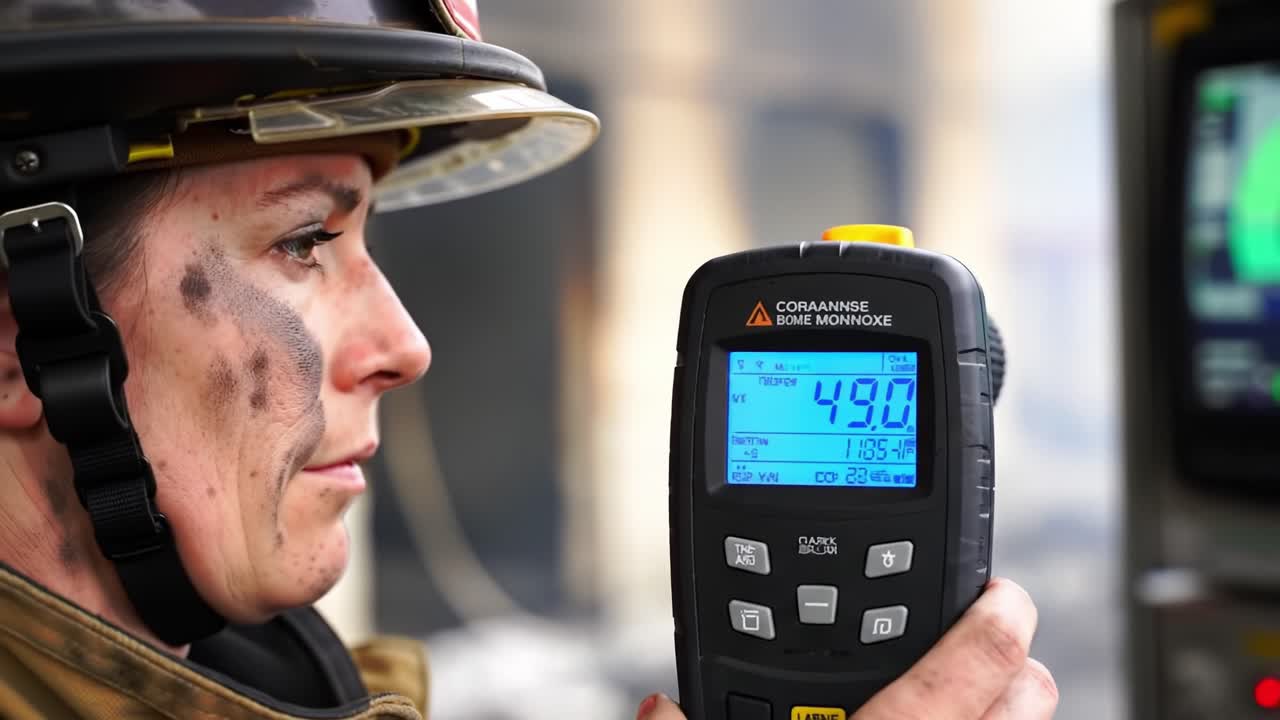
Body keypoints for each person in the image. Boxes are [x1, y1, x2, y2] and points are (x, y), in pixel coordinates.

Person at [0, 3, 1058, 719]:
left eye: (372, 241)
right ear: (17, 338)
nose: (404, 348)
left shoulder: (287, 681)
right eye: (305, 243)